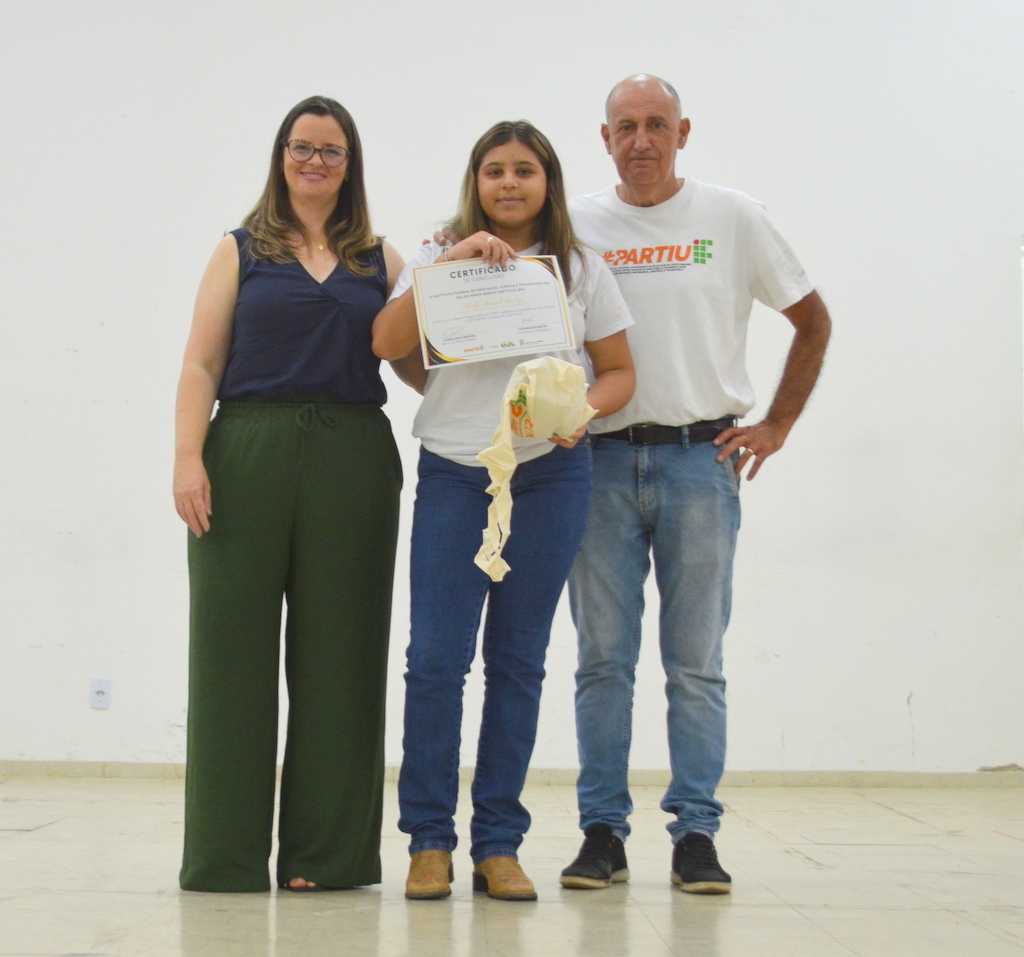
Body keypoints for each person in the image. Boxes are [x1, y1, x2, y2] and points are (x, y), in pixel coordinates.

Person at [559, 75, 832, 894]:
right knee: (603, 661)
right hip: (600, 463)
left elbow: (812, 319)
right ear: (604, 138)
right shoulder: (575, 225)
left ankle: (696, 835)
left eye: (657, 124)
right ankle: (602, 831)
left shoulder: (733, 216)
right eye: (626, 127)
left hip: (699, 464)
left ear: (683, 132)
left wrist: (777, 423)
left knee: (696, 664)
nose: (641, 140)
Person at [373, 120, 635, 902]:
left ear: (548, 181)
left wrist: (581, 410)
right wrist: (448, 266)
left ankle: (498, 844)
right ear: (476, 181)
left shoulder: (580, 266)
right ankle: (428, 841)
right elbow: (386, 342)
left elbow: (619, 371)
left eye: (525, 169)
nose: (510, 183)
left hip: (551, 476)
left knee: (517, 662)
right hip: (456, 473)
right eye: (495, 170)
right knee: (435, 660)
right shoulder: (436, 252)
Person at [173, 95, 414, 893]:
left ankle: (325, 854)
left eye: (331, 150)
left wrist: (464, 287)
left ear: (350, 165)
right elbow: (202, 362)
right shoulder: (240, 249)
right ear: (282, 157)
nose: (315, 161)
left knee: (343, 654)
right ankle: (226, 854)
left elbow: (418, 365)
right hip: (246, 451)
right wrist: (187, 456)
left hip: (353, 456)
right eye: (302, 147)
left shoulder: (380, 259)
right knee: (229, 654)